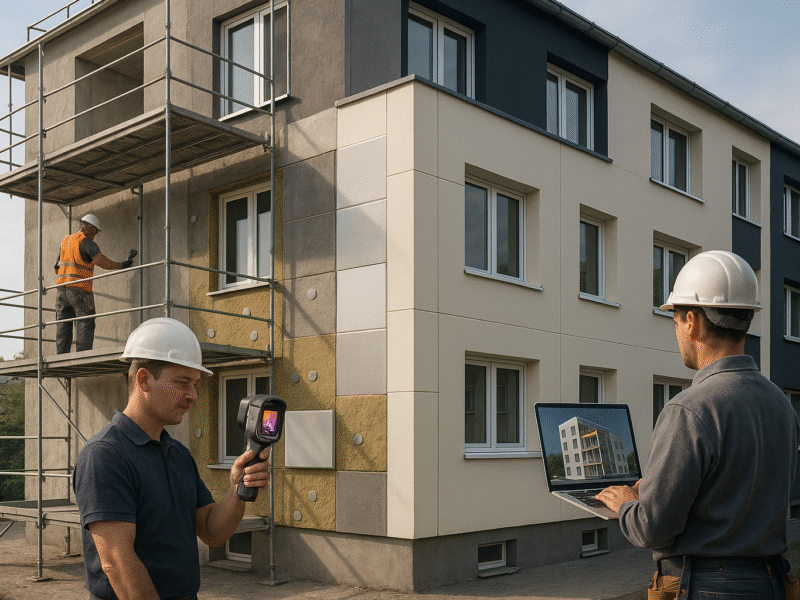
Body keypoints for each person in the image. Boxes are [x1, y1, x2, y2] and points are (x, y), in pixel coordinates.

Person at [596, 250, 799, 599]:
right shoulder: (781, 404)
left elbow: (652, 529)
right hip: (771, 582)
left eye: (674, 321)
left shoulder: (688, 409)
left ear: (692, 322)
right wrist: (660, 489)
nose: (676, 331)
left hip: (707, 586)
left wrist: (627, 503)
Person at [73, 317, 271, 600]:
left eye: (195, 384)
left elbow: (212, 533)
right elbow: (117, 562)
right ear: (143, 380)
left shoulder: (177, 453)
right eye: (182, 382)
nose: (193, 396)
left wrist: (237, 490)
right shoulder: (105, 455)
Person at [54, 213, 137, 354]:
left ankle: (61, 358)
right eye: (95, 231)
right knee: (85, 322)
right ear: (88, 227)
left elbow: (56, 268)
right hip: (80, 290)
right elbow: (101, 261)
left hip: (61, 292)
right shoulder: (86, 242)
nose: (95, 235)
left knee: (63, 325)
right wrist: (122, 265)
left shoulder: (66, 241)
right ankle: (82, 358)